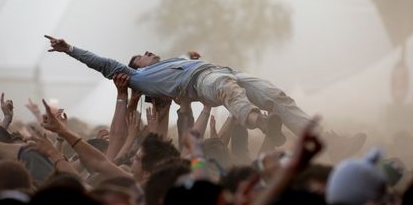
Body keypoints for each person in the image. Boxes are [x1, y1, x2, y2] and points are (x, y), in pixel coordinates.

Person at [44, 35, 311, 145]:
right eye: (141, 55)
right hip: (200, 82)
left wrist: (187, 54)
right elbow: (104, 64)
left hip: (222, 69)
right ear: (136, 67)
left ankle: (316, 135)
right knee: (230, 91)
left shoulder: (171, 62)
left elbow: (179, 60)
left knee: (276, 95)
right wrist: (70, 50)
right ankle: (263, 124)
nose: (148, 52)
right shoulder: (141, 78)